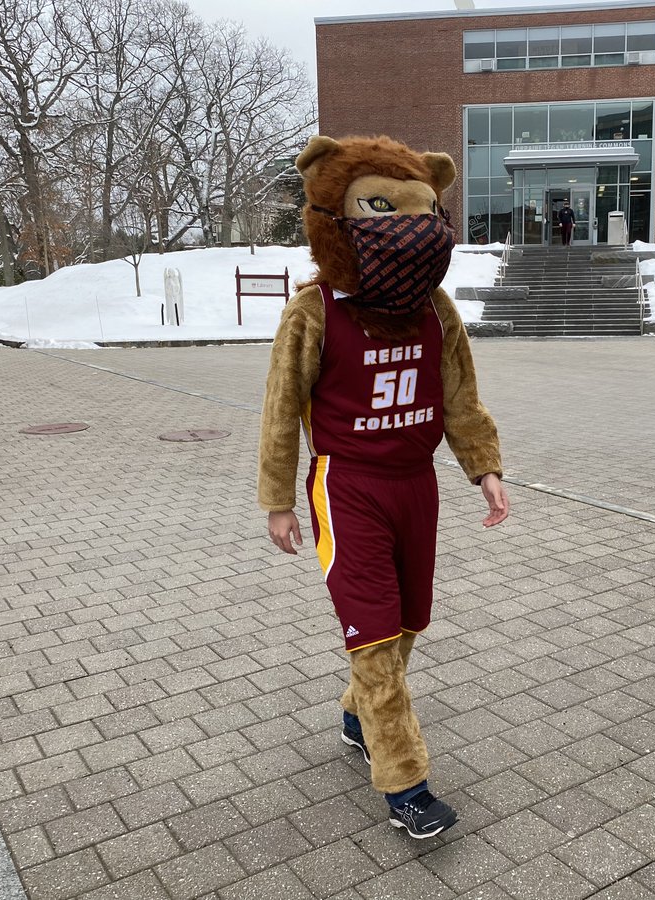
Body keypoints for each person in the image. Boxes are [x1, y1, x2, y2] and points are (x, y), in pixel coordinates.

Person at [259, 134, 509, 840]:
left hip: (415, 485)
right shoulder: (314, 312)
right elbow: (281, 410)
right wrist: (278, 499)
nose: (409, 224)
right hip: (349, 486)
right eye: (379, 207)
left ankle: (354, 713)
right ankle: (406, 784)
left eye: (424, 208)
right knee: (372, 638)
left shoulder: (437, 310)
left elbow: (461, 396)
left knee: (404, 626)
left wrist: (483, 466)